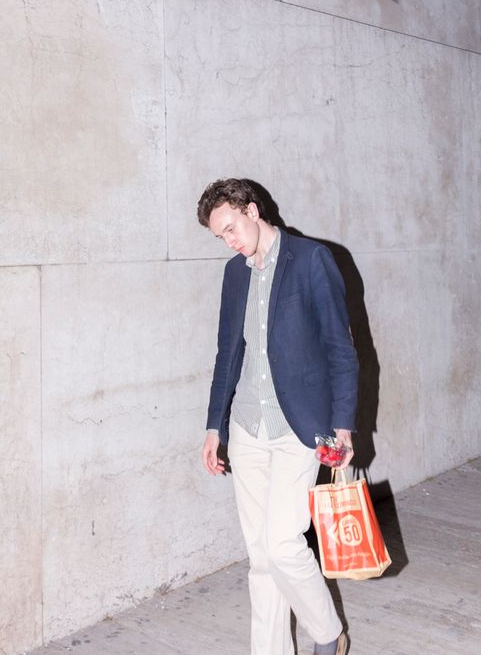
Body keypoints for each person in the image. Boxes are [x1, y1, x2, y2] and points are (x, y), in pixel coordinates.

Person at [197, 178, 359, 655]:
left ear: (252, 210)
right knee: (261, 559)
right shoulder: (235, 274)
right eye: (220, 236)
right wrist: (214, 426)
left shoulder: (310, 260)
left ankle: (328, 633)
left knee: (283, 544)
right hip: (248, 427)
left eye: (230, 228)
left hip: (298, 429)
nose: (229, 241)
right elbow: (227, 354)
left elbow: (341, 349)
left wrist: (343, 425)